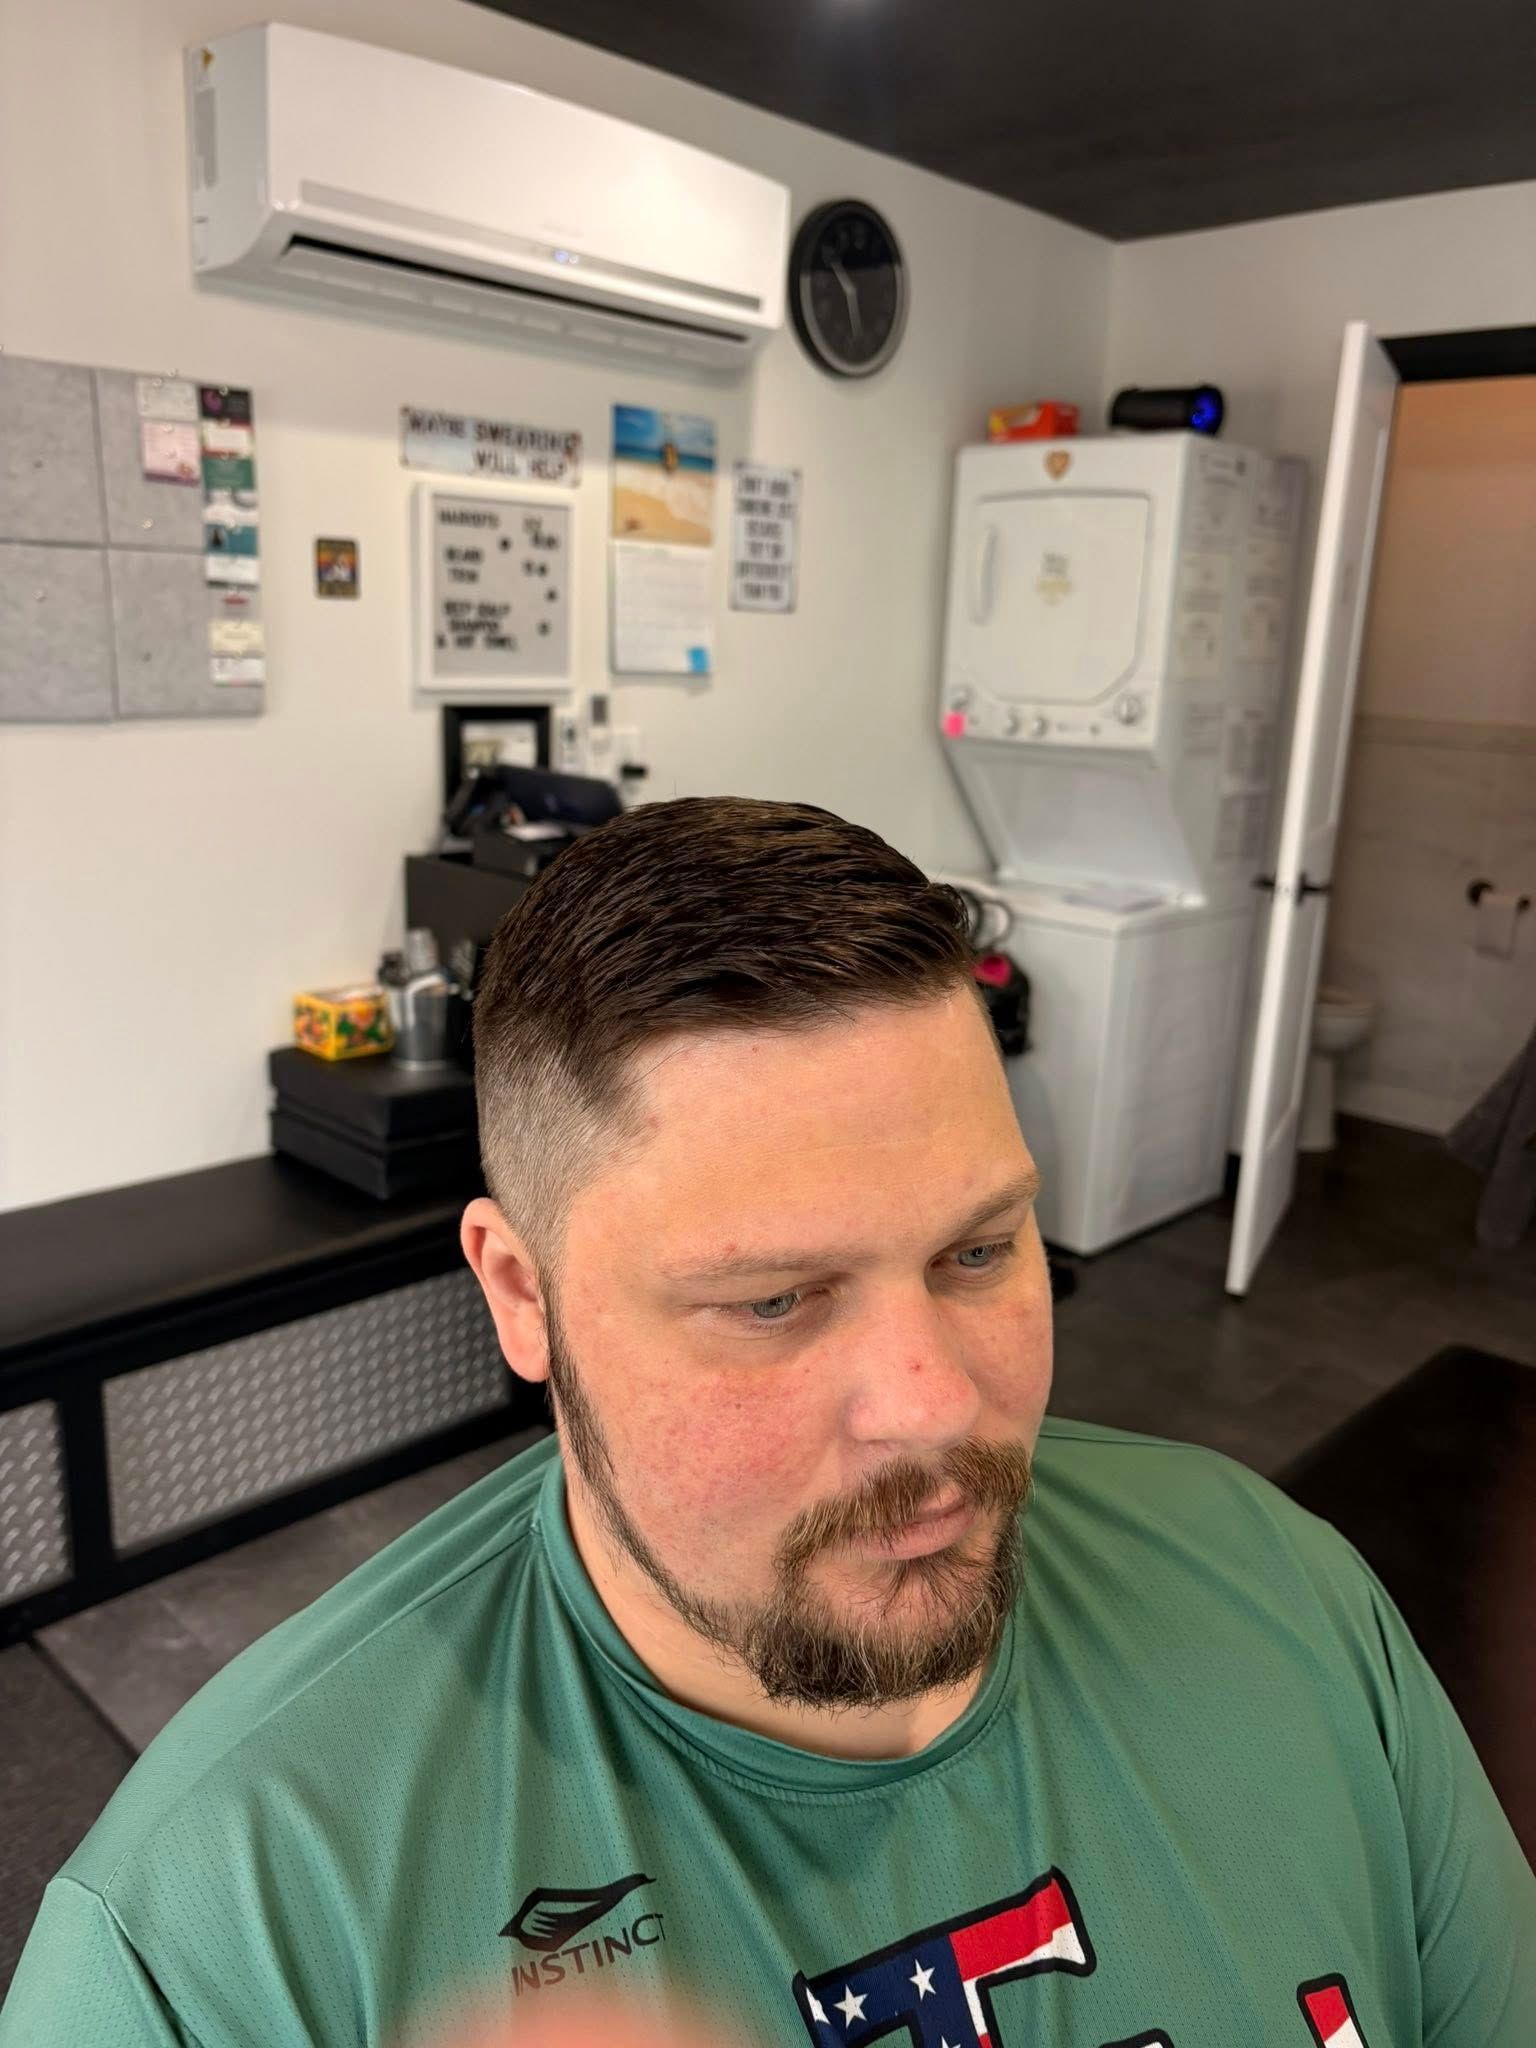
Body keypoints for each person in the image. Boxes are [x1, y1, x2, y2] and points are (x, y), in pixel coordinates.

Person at [3, 796, 1533, 2048]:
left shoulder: (1285, 1591)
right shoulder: (217, 1944)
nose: (935, 1406)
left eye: (979, 1251)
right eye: (774, 1300)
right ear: (523, 1296)